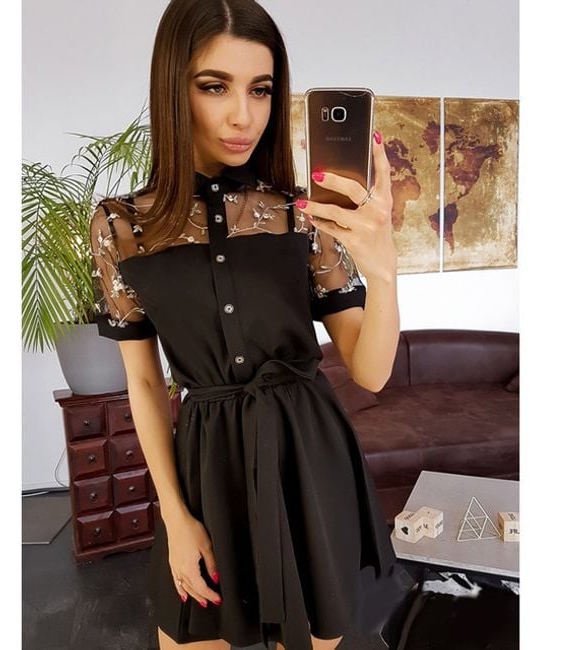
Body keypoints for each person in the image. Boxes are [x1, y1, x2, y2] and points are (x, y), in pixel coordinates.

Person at [89, 1, 403, 648]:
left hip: (309, 463)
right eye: (214, 86)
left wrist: (386, 272)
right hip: (206, 471)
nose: (243, 115)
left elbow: (371, 372)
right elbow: (144, 384)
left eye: (260, 89)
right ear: (173, 88)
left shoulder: (300, 215)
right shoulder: (123, 225)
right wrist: (175, 518)